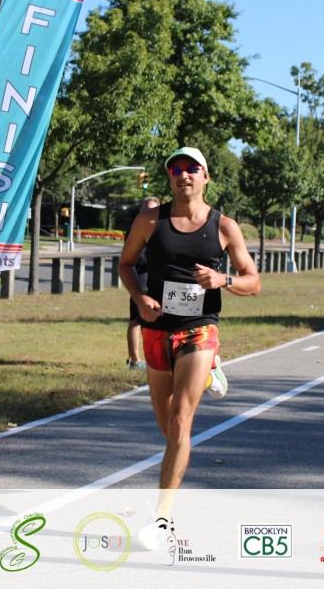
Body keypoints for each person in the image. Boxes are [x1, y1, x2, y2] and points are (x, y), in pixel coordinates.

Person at [118, 146, 260, 550]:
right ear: (170, 178)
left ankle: (161, 521)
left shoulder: (224, 226)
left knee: (181, 422)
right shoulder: (150, 220)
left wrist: (223, 280)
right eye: (176, 169)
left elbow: (253, 281)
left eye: (192, 168)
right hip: (156, 330)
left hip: (199, 329)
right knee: (168, 429)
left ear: (205, 176)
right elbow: (125, 264)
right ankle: (211, 373)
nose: (184, 175)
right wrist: (140, 297)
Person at [127, 196, 161, 370]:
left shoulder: (162, 228)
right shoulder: (136, 229)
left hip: (159, 279)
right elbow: (133, 259)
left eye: (154, 209)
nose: (151, 213)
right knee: (136, 319)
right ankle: (134, 360)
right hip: (141, 277)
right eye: (147, 209)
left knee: (154, 320)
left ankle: (153, 358)